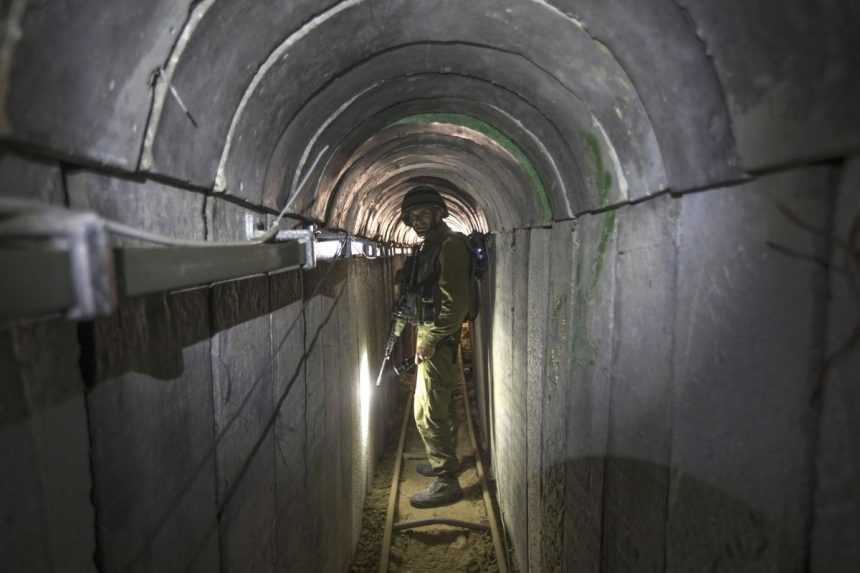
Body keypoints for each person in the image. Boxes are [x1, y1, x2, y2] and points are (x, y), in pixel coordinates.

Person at [399, 186, 474, 509]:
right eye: (413, 216)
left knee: (427, 410)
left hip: (438, 337)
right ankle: (443, 460)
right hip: (430, 332)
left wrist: (430, 339)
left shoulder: (450, 244)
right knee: (435, 403)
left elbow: (456, 303)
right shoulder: (430, 245)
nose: (418, 220)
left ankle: (446, 479)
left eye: (424, 214)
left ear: (439, 212)